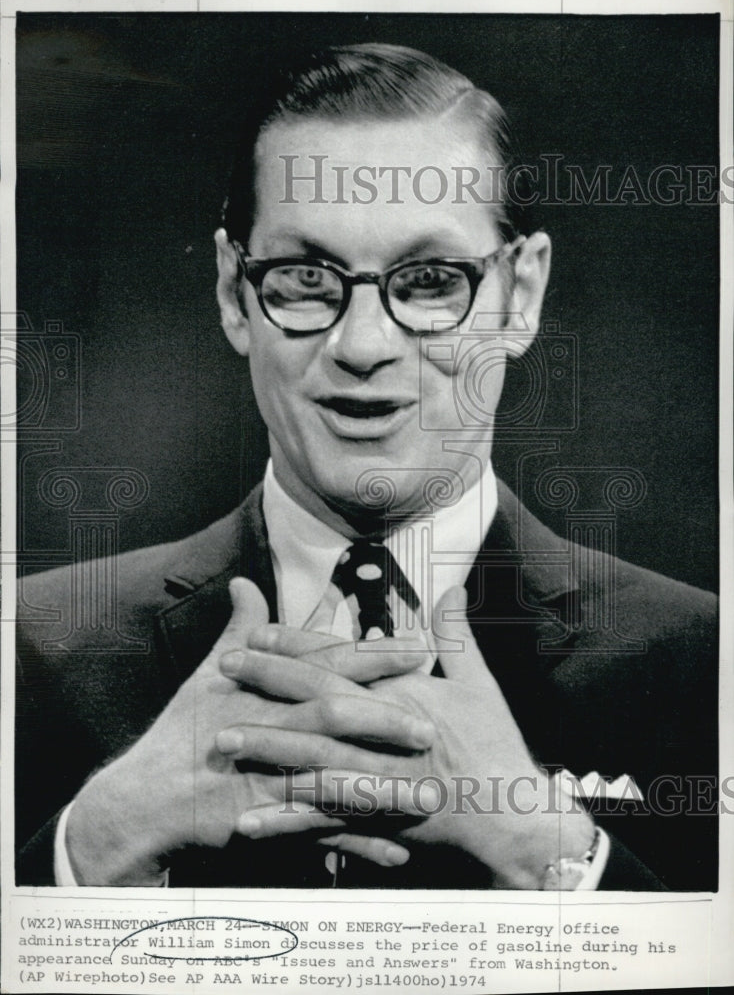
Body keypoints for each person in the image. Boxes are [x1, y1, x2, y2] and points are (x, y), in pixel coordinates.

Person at [16, 43, 717, 890]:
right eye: (306, 279)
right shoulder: (27, 654)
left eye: (428, 281)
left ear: (521, 295)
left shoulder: (703, 669)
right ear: (235, 295)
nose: (362, 346)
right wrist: (93, 847)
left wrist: (549, 852)